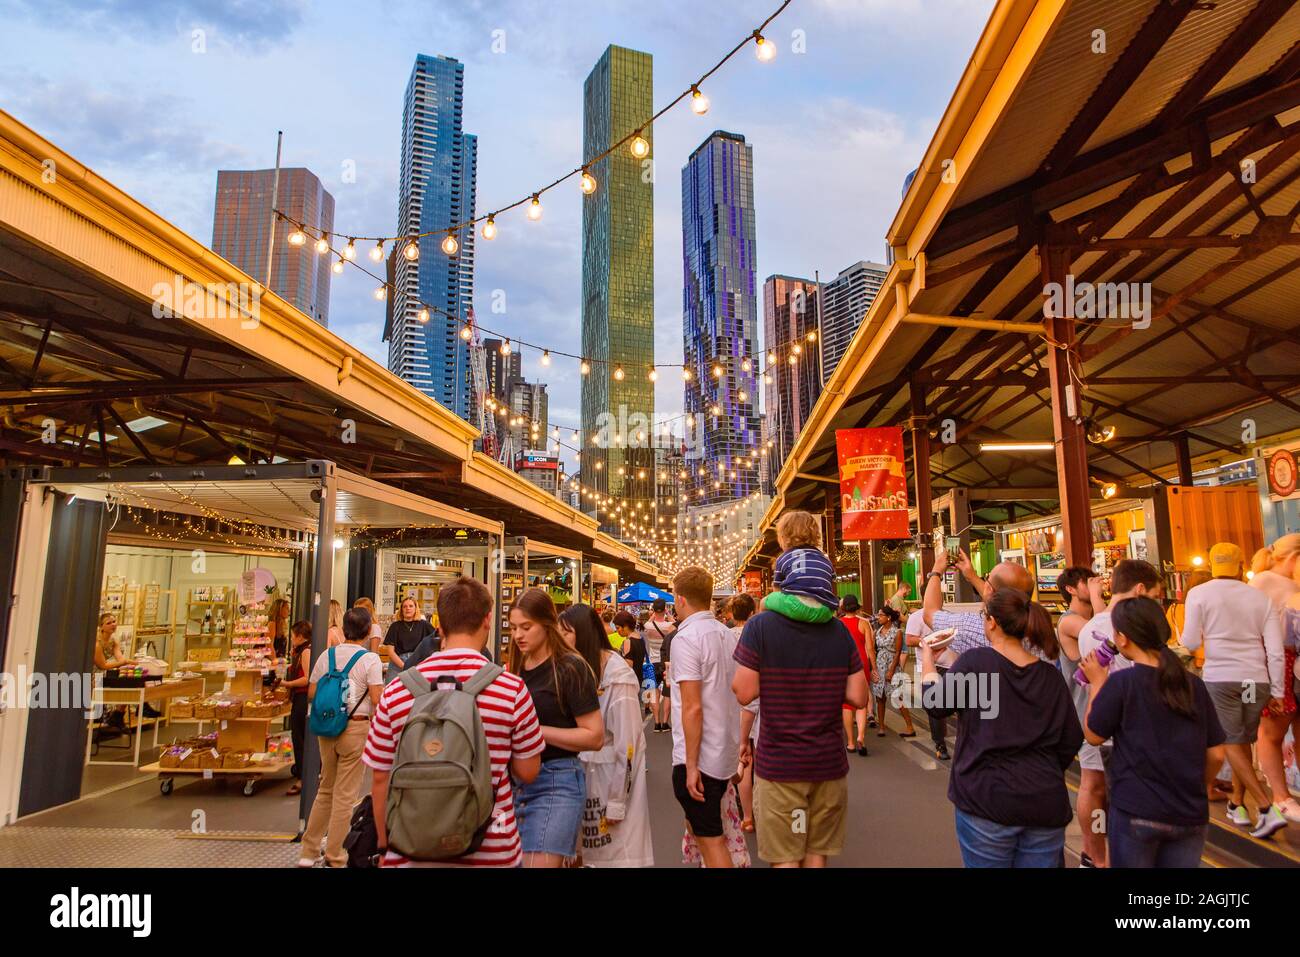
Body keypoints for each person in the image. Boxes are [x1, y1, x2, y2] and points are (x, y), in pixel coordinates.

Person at [364, 576, 544, 867]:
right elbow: (527, 770)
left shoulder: (397, 691)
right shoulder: (510, 689)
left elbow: (381, 777)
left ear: (440, 625)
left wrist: (385, 844)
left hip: (409, 849)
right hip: (491, 850)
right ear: (488, 620)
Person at [922, 587, 1082, 868]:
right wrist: (1039, 771)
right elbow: (1071, 738)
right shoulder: (1049, 676)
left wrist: (927, 657)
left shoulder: (977, 662)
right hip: (1045, 801)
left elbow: (936, 703)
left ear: (992, 622)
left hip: (986, 798)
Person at [734, 554, 868, 868]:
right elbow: (859, 696)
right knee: (814, 852)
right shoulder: (838, 632)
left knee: (786, 857)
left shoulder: (760, 626)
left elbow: (743, 691)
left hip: (782, 768)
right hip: (827, 765)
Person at [1080, 596, 1226, 867]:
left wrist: (1097, 682)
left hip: (1137, 808)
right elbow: (1217, 754)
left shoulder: (1123, 683)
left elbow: (1093, 734)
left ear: (1123, 638)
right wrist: (1199, 786)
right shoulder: (1193, 684)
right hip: (1189, 812)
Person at [1181, 542, 1288, 839]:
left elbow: (1190, 642)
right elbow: (1275, 650)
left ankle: (1266, 808)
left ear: (1214, 567)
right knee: (1242, 740)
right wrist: (1278, 692)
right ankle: (1237, 804)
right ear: (1242, 566)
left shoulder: (1199, 594)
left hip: (1221, 681)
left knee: (1229, 740)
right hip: (1254, 683)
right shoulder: (1258, 598)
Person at [1072, 558, 1161, 868]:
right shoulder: (1136, 627)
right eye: (1154, 596)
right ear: (1139, 589)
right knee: (1123, 801)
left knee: (1092, 787)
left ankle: (1094, 856)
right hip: (1127, 731)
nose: (1155, 604)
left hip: (1093, 719)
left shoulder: (1091, 627)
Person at [508, 587, 603, 866]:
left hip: (556, 781)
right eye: (513, 628)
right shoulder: (516, 665)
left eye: (526, 627)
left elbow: (594, 735)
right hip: (514, 781)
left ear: (547, 624)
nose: (518, 635)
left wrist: (534, 732)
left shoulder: (571, 667)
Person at [559, 604, 653, 867]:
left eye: (566, 634)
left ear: (583, 634)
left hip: (610, 780)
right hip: (585, 780)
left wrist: (616, 801)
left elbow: (628, 743)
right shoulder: (577, 669)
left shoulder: (617, 675)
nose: (561, 640)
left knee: (613, 857)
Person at [298, 607, 384, 868]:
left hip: (327, 728)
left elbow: (312, 690)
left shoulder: (327, 655)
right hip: (356, 729)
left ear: (344, 628)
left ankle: (308, 852)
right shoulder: (370, 660)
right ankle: (336, 855)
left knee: (325, 789)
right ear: (368, 631)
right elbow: (377, 699)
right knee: (346, 795)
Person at [669, 565, 741, 868]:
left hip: (700, 756)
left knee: (711, 840)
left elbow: (692, 706)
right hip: (724, 751)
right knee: (707, 833)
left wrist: (692, 765)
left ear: (681, 599)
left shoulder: (686, 639)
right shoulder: (727, 636)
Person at [1251, 534, 1300, 822]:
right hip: (1275, 661)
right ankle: (1281, 797)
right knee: (1271, 732)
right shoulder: (1264, 582)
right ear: (1294, 557)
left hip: (1289, 662)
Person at [922, 547, 1034, 657]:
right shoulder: (1039, 630)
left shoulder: (975, 628)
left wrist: (936, 572)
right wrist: (972, 576)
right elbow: (1000, 599)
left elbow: (930, 613)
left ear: (989, 589)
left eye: (987, 580)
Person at [727, 594, 760, 830]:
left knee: (743, 761)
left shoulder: (725, 637)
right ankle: (763, 812)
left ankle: (747, 816)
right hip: (758, 703)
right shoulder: (759, 635)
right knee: (761, 761)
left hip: (733, 705)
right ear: (751, 613)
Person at [904, 608, 949, 760]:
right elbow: (909, 640)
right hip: (928, 666)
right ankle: (940, 743)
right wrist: (927, 641)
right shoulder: (916, 617)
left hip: (950, 665)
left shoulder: (947, 614)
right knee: (934, 704)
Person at [838, 595, 872, 756]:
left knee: (846, 704)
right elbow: (870, 649)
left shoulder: (838, 624)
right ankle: (861, 737)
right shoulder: (864, 623)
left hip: (844, 663)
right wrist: (875, 668)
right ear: (857, 607)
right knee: (862, 702)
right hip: (862, 663)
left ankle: (850, 742)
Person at [282, 620, 312, 796]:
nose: (292, 639)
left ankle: (302, 778)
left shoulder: (306, 652)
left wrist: (287, 683)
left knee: (299, 738)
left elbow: (307, 678)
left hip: (302, 697)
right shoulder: (303, 651)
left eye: (293, 636)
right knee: (301, 737)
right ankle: (303, 774)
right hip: (301, 697)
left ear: (300, 636)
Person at [381, 597, 437, 681]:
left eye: (411, 606)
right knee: (391, 690)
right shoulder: (395, 626)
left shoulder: (424, 625)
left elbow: (438, 640)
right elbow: (390, 651)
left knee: (416, 691)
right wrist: (404, 666)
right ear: (401, 610)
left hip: (417, 662)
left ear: (416, 608)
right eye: (405, 606)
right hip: (397, 663)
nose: (408, 608)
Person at [645, 598, 676, 732]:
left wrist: (654, 614)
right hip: (666, 663)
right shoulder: (669, 626)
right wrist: (668, 615)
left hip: (651, 662)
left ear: (653, 610)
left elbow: (650, 620)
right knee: (667, 693)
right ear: (664, 609)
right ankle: (665, 722)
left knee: (654, 693)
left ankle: (656, 723)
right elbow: (676, 624)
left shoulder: (648, 626)